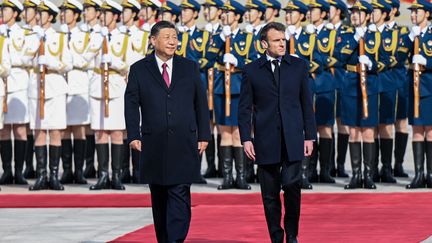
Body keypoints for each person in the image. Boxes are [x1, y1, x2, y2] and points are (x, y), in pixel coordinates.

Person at [125, 20, 211, 243]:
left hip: (184, 140)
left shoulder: (189, 67)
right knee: (159, 195)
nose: (173, 41)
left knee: (180, 192)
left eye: (175, 37)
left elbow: (201, 103)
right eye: (167, 37)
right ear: (153, 40)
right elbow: (131, 104)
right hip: (154, 141)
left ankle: (176, 240)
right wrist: (134, 134)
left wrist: (204, 135)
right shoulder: (139, 69)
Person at [239, 22, 316, 243]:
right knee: (270, 195)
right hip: (265, 139)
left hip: (293, 137)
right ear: (264, 44)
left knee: (292, 187)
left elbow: (305, 103)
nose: (282, 44)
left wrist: (309, 135)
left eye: (284, 40)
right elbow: (244, 108)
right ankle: (276, 236)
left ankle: (292, 235)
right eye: (276, 40)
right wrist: (246, 138)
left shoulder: (298, 66)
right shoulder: (252, 70)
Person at [334, 0, 389, 189]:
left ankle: (368, 174)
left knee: (367, 131)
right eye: (353, 13)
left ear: (367, 15)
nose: (355, 15)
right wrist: (355, 40)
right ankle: (355, 175)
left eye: (359, 13)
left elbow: (385, 60)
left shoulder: (376, 35)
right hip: (350, 83)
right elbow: (339, 56)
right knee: (353, 131)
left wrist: (372, 64)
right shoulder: (346, 33)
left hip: (370, 83)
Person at [28, 0, 73, 191]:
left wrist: (51, 62)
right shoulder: (30, 36)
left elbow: (68, 63)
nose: (38, 16)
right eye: (37, 13)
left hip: (54, 86)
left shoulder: (60, 38)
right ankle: (41, 175)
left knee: (55, 131)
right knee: (38, 130)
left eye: (42, 13)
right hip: (36, 86)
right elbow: (19, 58)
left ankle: (54, 175)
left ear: (50, 16)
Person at [58, 0, 88, 185]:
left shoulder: (84, 35)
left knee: (78, 129)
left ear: (75, 15)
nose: (63, 14)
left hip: (78, 84)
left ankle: (79, 171)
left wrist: (68, 60)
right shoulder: (58, 34)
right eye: (62, 11)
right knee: (63, 129)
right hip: (62, 84)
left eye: (67, 11)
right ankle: (67, 170)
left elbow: (85, 59)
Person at [405, 0, 432, 189]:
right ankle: (419, 174)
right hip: (413, 88)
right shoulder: (410, 35)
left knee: (430, 130)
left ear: (427, 14)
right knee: (416, 130)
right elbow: (398, 56)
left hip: (429, 86)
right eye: (412, 12)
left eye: (417, 11)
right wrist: (409, 40)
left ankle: (430, 173)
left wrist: (427, 62)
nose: (413, 15)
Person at [0, 0, 27, 185]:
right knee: (3, 131)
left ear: (15, 13)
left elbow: (27, 56)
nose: (2, 12)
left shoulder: (24, 33)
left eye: (6, 9)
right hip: (2, 83)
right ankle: (7, 170)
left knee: (19, 129)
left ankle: (19, 171)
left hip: (18, 81)